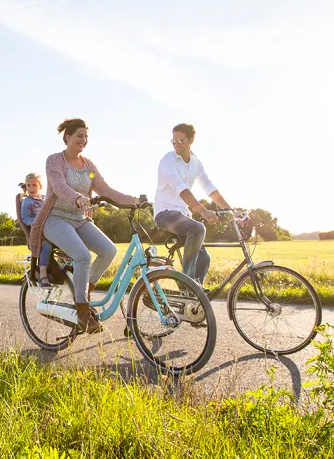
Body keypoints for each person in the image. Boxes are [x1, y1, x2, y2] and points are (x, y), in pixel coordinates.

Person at [27, 118, 139, 333]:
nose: (84, 140)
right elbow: (59, 187)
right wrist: (78, 198)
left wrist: (131, 199)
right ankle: (82, 312)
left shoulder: (88, 166)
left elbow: (104, 189)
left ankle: (84, 290)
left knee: (108, 250)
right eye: (79, 135)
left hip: (79, 220)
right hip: (55, 219)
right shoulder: (55, 161)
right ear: (67, 137)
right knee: (83, 256)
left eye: (86, 136)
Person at [154, 123, 230, 284]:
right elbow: (182, 190)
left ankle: (191, 300)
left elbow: (208, 187)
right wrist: (203, 211)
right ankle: (189, 286)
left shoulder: (196, 163)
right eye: (174, 141)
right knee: (198, 228)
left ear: (191, 140)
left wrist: (229, 210)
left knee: (204, 257)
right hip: (165, 214)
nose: (177, 145)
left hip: (182, 216)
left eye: (181, 141)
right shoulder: (168, 161)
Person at [19, 172, 53, 286]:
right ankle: (42, 273)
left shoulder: (45, 199)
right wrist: (35, 223)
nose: (31, 188)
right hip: (38, 232)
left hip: (50, 227)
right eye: (28, 185)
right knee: (47, 246)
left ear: (40, 186)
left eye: (34, 185)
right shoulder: (27, 202)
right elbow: (24, 217)